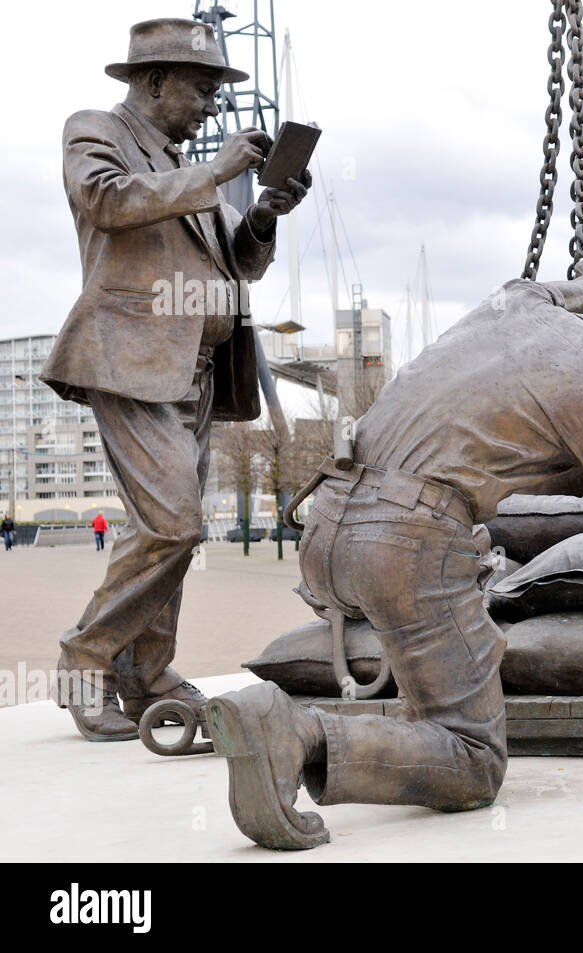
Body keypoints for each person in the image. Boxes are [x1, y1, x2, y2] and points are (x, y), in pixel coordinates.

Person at [208, 253, 583, 849]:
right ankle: (296, 732)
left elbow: (557, 293)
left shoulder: (519, 303)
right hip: (405, 546)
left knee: (435, 688)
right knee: (472, 757)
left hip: (325, 521)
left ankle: (300, 731)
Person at [40, 18, 310, 742]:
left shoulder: (181, 165)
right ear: (153, 82)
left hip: (195, 375)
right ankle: (83, 661)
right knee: (174, 522)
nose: (210, 105)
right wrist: (217, 173)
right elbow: (104, 200)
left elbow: (239, 262)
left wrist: (258, 215)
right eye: (201, 88)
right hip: (127, 362)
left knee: (173, 535)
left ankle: (148, 674)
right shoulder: (96, 130)